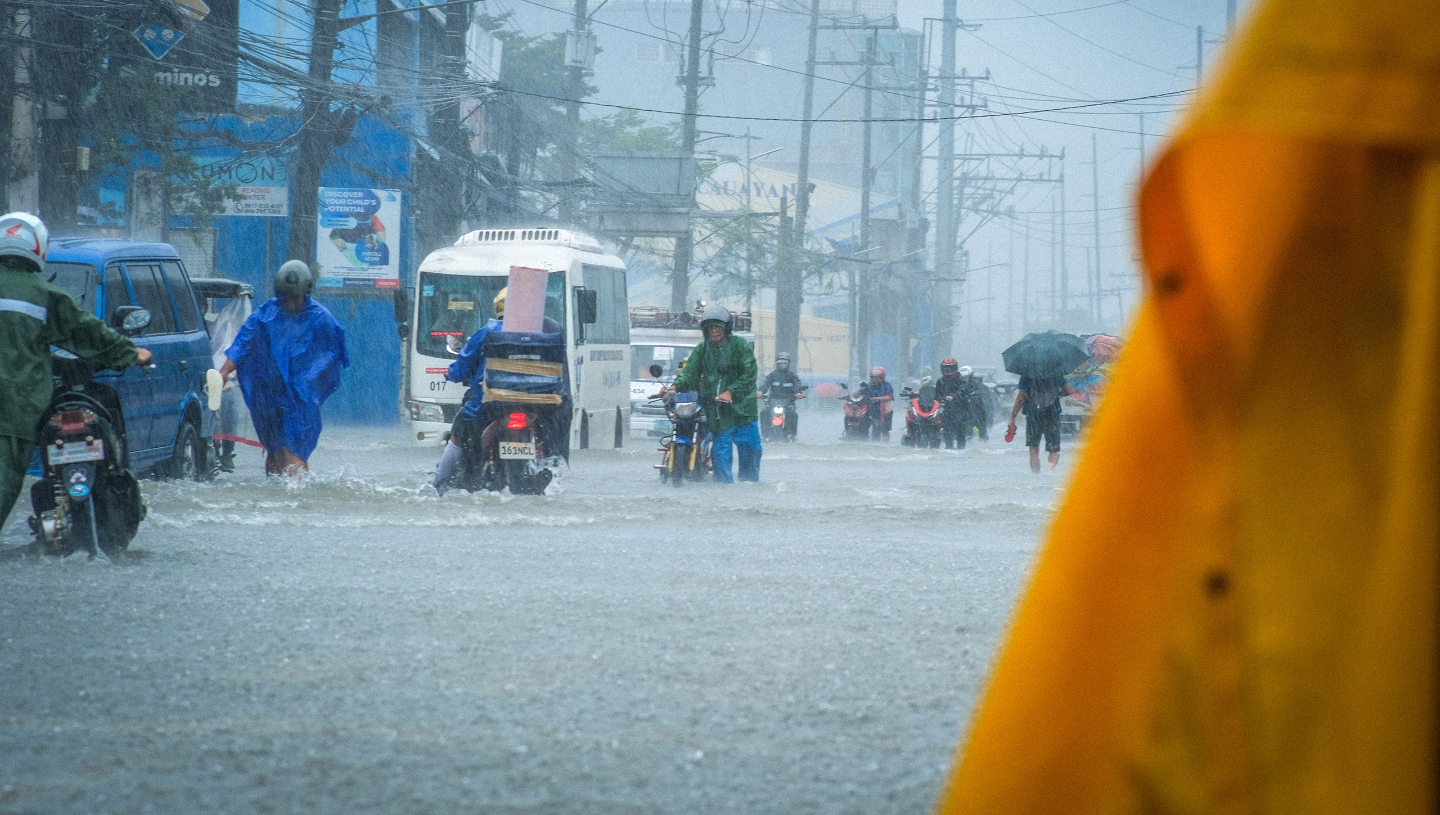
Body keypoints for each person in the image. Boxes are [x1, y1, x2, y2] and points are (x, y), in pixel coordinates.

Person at [0, 212, 153, 531]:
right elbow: (86, 332)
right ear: (38, 248)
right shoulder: (44, 295)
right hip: (14, 411)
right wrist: (132, 353)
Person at [218, 260, 348, 477]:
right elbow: (242, 344)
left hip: (300, 399)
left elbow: (334, 352)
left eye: (296, 297)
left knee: (294, 448)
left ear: (306, 291)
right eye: (286, 297)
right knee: (275, 451)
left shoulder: (320, 317)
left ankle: (297, 496)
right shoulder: (265, 315)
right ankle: (277, 496)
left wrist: (308, 379)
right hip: (269, 396)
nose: (291, 303)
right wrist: (224, 372)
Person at [659, 305, 761, 483]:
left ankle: (749, 487)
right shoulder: (702, 350)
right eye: (710, 327)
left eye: (718, 326)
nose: (714, 331)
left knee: (750, 450)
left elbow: (750, 374)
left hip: (744, 411)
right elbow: (689, 373)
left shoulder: (740, 346)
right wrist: (674, 387)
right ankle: (723, 491)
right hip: (718, 413)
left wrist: (731, 392)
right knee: (720, 454)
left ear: (726, 327)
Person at [431, 288, 504, 494]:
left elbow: (463, 365)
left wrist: (452, 374)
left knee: (458, 433)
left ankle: (438, 485)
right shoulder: (535, 334)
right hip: (530, 406)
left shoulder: (488, 331)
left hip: (485, 408)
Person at [1006, 372, 1076, 473]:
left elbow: (1020, 399)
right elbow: (1068, 391)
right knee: (1054, 450)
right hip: (1052, 414)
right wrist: (1057, 393)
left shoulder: (1027, 374)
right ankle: (1050, 469)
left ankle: (1036, 477)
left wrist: (1012, 418)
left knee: (1034, 449)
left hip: (1033, 414)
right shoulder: (1055, 372)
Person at [759, 352, 805, 439]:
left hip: (788, 402)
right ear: (777, 364)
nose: (783, 365)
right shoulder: (772, 375)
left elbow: (797, 385)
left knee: (792, 414)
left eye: (785, 363)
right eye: (780, 363)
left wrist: (798, 393)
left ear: (788, 364)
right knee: (764, 413)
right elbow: (765, 384)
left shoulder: (792, 376)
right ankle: (765, 435)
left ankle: (791, 435)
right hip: (772, 401)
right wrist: (760, 392)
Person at [933, 358, 967, 449]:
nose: (948, 371)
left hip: (960, 410)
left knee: (960, 433)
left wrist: (953, 397)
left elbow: (963, 391)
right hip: (946, 410)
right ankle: (949, 447)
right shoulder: (940, 381)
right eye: (946, 368)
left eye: (951, 368)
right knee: (947, 431)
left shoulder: (960, 380)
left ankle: (961, 450)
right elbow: (936, 394)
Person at [861, 366, 894, 442]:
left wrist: (877, 398)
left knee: (883, 428)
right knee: (864, 424)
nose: (873, 379)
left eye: (875, 377)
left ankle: (884, 441)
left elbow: (889, 397)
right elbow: (860, 393)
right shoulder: (868, 385)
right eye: (872, 377)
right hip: (871, 407)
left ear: (881, 377)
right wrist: (852, 394)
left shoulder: (886, 385)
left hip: (883, 407)